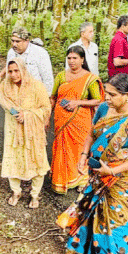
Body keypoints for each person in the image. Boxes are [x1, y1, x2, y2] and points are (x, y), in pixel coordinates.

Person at [57, 73, 128, 254]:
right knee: (90, 210)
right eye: (106, 93)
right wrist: (83, 154)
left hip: (120, 178)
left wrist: (112, 170)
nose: (106, 98)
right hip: (98, 173)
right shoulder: (103, 109)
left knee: (113, 217)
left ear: (127, 96)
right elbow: (91, 134)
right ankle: (83, 252)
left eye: (112, 94)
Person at [0, 60, 51, 208]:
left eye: (17, 71)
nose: (14, 74)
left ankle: (35, 194)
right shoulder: (5, 86)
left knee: (37, 160)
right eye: (10, 71)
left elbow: (46, 108)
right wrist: (1, 74)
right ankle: (16, 191)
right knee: (13, 160)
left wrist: (27, 115)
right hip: (12, 130)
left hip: (33, 131)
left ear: (23, 70)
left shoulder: (36, 86)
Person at [51, 46, 104, 194]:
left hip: (80, 121)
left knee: (79, 149)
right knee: (62, 149)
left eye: (75, 58)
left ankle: (81, 179)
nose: (72, 61)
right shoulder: (61, 76)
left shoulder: (90, 78)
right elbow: (53, 97)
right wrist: (46, 116)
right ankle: (61, 181)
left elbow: (97, 101)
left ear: (82, 60)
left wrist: (77, 102)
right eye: (69, 58)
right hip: (61, 118)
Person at [6, 28, 54, 94]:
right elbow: (8, 73)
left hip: (35, 93)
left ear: (26, 41)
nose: (14, 44)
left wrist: (48, 95)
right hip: (16, 93)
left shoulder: (40, 53)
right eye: (12, 41)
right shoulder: (11, 52)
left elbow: (47, 77)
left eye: (17, 41)